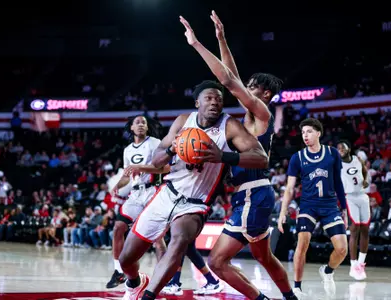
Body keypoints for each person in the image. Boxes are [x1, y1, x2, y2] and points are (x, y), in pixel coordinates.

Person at [180, 13, 296, 300]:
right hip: (254, 194)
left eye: (252, 86)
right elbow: (232, 77)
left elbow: (230, 82)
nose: (246, 87)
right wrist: (221, 37)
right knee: (265, 258)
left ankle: (260, 299)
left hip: (252, 194)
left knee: (217, 262)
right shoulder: (246, 118)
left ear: (264, 94)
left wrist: (196, 44)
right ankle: (290, 298)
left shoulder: (261, 112)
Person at [118, 79, 269, 300]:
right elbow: (157, 160)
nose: (214, 102)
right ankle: (135, 282)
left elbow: (261, 159)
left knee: (178, 241)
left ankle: (148, 297)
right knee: (126, 259)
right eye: (209, 98)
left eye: (218, 99)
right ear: (197, 102)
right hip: (167, 194)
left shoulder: (230, 126)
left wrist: (224, 156)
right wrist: (172, 148)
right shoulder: (183, 121)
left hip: (196, 203)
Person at [278, 118, 348, 297]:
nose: (305, 136)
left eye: (309, 131)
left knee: (342, 249)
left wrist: (345, 210)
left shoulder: (332, 153)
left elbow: (339, 183)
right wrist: (282, 212)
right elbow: (290, 188)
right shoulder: (297, 157)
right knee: (302, 242)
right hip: (308, 206)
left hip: (330, 205)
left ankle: (328, 271)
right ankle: (297, 287)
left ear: (318, 133)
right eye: (303, 133)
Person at [106, 115, 169, 289]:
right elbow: (128, 176)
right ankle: (119, 271)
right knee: (118, 228)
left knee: (157, 239)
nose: (141, 125)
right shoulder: (128, 150)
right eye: (137, 123)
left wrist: (141, 168)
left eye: (144, 123)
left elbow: (167, 167)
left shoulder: (155, 143)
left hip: (153, 191)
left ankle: (164, 277)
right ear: (132, 128)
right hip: (135, 194)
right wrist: (119, 184)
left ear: (147, 128)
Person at [337, 140, 370, 281]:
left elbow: (364, 169)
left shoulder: (357, 159)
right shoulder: (337, 165)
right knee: (354, 228)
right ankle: (352, 264)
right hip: (349, 197)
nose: (340, 150)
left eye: (342, 147)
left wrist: (365, 179)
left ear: (348, 148)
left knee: (365, 229)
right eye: (338, 149)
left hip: (362, 195)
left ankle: (361, 264)